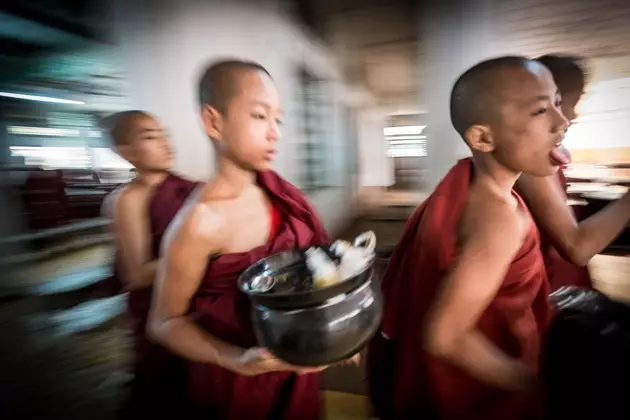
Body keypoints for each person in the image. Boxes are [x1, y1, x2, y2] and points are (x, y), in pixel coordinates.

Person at [366, 56, 569, 419]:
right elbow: (446, 336)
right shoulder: (498, 218)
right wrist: (536, 387)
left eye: (557, 101)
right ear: (483, 137)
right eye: (540, 111)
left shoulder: (465, 185)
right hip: (475, 392)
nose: (562, 121)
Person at [148, 59, 335, 419]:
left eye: (277, 119)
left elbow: (315, 272)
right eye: (259, 116)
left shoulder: (280, 195)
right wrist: (235, 359)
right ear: (213, 122)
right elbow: (163, 323)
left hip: (297, 367)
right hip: (238, 386)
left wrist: (337, 330)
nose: (274, 132)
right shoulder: (199, 223)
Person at [100, 110, 200, 416]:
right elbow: (138, 275)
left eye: (164, 134)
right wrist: (201, 251)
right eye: (149, 136)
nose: (165, 143)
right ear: (125, 152)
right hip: (159, 316)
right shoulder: (127, 200)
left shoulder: (192, 189)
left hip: (200, 309)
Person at [515, 54, 630, 291]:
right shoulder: (530, 163)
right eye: (571, 102)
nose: (575, 115)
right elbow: (577, 248)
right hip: (543, 294)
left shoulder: (538, 157)